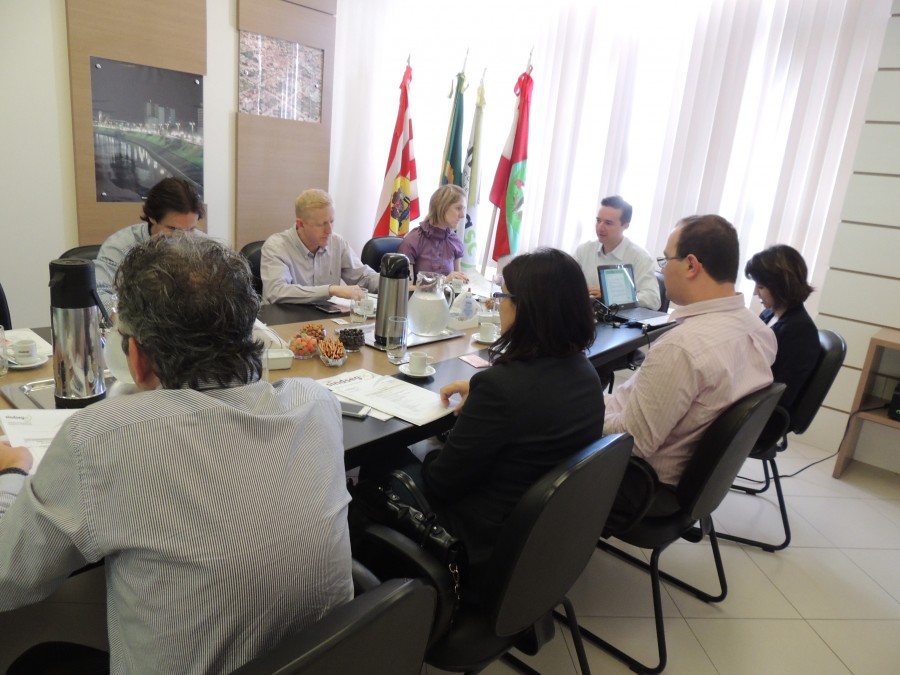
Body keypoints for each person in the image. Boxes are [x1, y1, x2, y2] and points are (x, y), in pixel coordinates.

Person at [0, 235, 352, 674]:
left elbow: (8, 576)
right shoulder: (317, 403)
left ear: (137, 357)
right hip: (326, 658)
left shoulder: (100, 439)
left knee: (37, 661)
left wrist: (12, 472)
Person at [413, 248, 604, 583]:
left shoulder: (501, 388)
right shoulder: (586, 373)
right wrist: (482, 397)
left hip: (478, 545)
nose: (498, 304)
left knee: (384, 466)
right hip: (541, 542)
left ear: (526, 308)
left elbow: (441, 483)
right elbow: (533, 404)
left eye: (502, 295)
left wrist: (431, 451)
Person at [603, 215, 776, 527]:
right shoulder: (758, 330)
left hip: (640, 482)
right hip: (690, 484)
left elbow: (633, 442)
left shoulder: (682, 348)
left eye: (666, 260)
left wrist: (579, 415)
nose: (662, 269)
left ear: (691, 265)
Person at [94, 176, 206, 313]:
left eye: (191, 229)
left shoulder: (205, 246)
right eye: (173, 229)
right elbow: (99, 295)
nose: (183, 238)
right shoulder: (119, 247)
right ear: (152, 217)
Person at [261, 188, 379, 304]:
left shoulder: (337, 242)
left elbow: (363, 278)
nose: (329, 231)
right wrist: (330, 290)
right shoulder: (276, 247)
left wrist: (388, 279)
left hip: (325, 315)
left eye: (331, 221)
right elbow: (276, 292)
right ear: (301, 224)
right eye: (321, 224)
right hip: (286, 316)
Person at [745, 244, 819, 411]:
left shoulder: (801, 332)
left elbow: (782, 394)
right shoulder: (768, 315)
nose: (755, 293)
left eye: (761, 287)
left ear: (781, 286)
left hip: (761, 414)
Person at [573, 195, 660, 309]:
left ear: (625, 226)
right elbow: (566, 282)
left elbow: (653, 299)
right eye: (598, 221)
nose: (600, 227)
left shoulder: (640, 257)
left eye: (608, 223)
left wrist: (611, 297)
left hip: (618, 316)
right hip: (585, 312)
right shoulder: (584, 250)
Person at [398, 184, 468, 282]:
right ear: (442, 208)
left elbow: (457, 284)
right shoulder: (412, 241)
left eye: (464, 209)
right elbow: (405, 287)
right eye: (458, 208)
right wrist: (443, 281)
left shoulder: (455, 242)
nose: (463, 215)